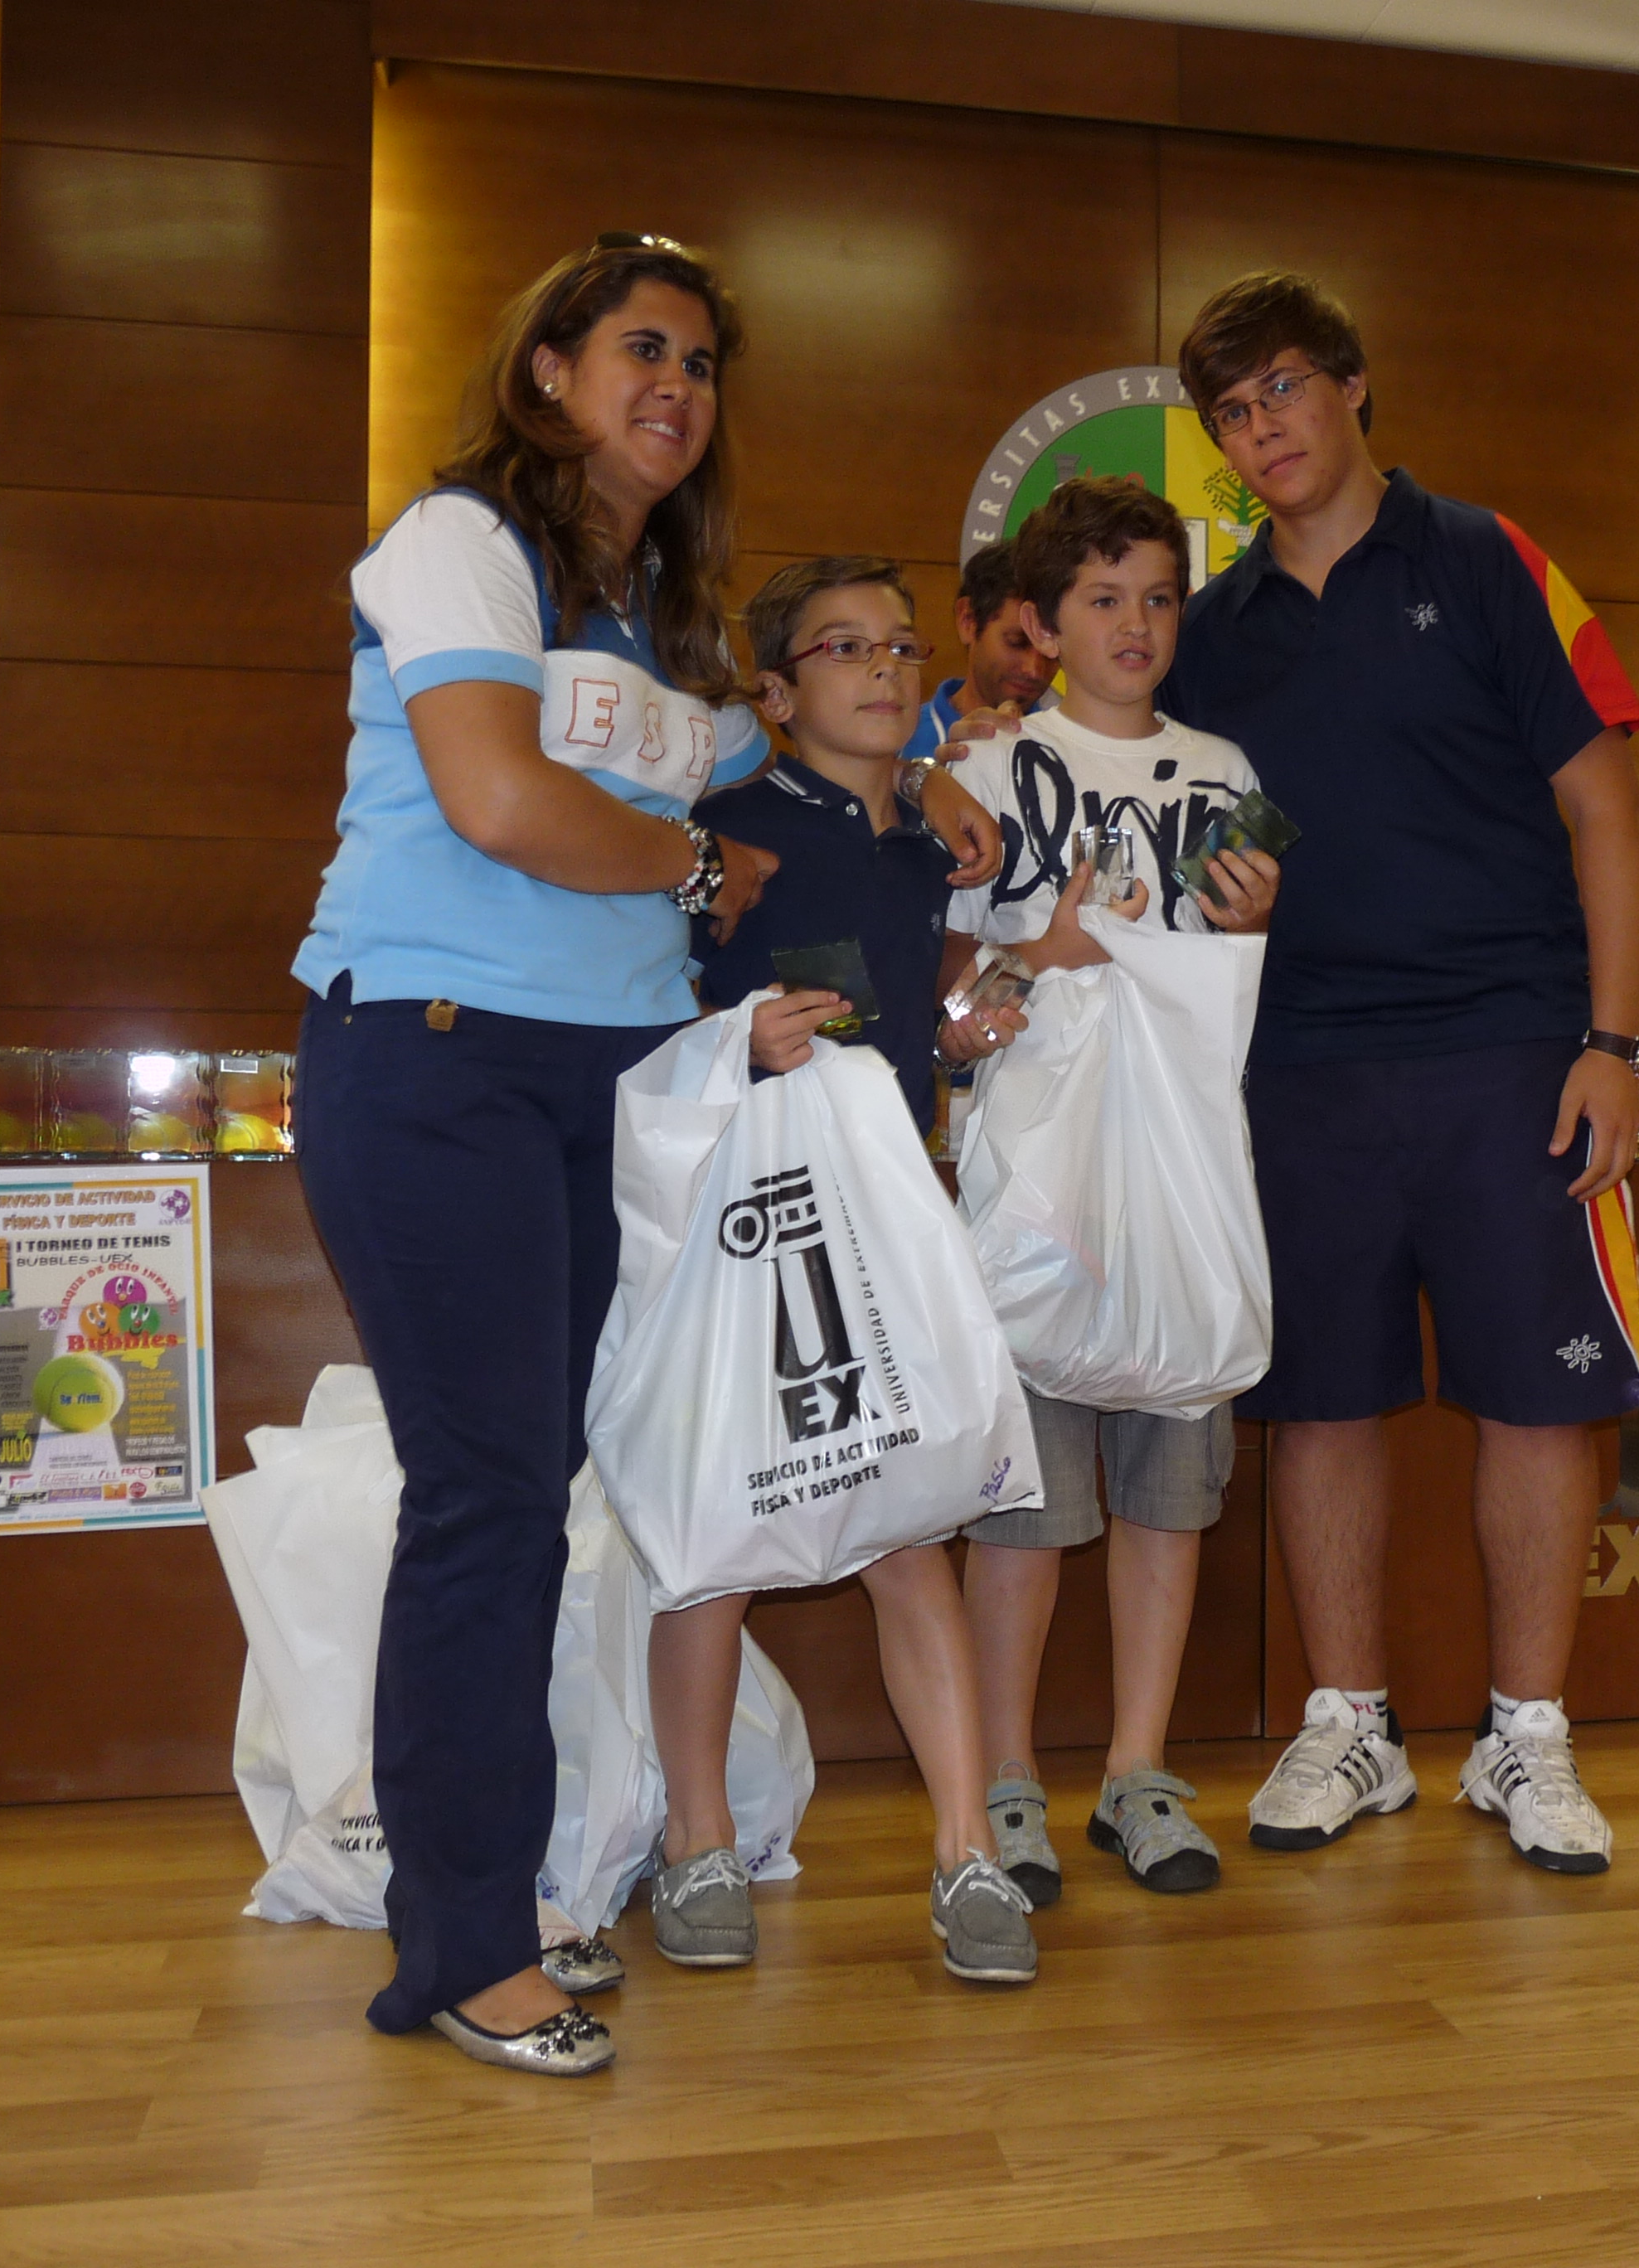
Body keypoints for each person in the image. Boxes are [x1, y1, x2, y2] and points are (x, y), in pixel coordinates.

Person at [289, 235, 997, 2078]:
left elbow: (807, 734)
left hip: (615, 1085)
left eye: (700, 363)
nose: (676, 386)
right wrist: (690, 864)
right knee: (488, 1501)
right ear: (548, 369)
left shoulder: (666, 608)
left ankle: (496, 1897)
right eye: (640, 349)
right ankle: (460, 1948)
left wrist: (926, 762)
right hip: (437, 1054)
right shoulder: (458, 541)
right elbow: (498, 796)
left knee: (545, 1490)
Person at [1165, 271, 1639, 1878]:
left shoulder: (1488, 558)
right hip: (1298, 1065)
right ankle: (1352, 1727)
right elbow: (1175, 856)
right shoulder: (1211, 635)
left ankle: (1527, 1738)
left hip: (1512, 1053)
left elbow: (1605, 809)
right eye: (1231, 412)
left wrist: (1611, 1045)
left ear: (1353, 385)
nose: (1261, 429)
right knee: (1319, 1401)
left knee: (1538, 1399)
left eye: (1282, 389)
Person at [658, 555, 1040, 1986]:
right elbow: (641, 1007)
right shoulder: (719, 832)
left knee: (908, 1528)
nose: (882, 668)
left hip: (882, 1221)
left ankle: (965, 1850)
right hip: (739, 1220)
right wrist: (728, 1038)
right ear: (773, 691)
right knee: (710, 1537)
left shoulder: (929, 846)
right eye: (842, 647)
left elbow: (902, 1021)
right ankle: (697, 1841)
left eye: (899, 646)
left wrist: (954, 1032)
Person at [939, 476, 1279, 1904]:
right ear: (1040, 620)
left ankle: (1139, 1769)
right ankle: (1005, 1778)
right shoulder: (990, 766)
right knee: (1020, 1505)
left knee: (1170, 1494)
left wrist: (1252, 920)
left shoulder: (1223, 770)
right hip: (1037, 1181)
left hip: (1183, 1177)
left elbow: (1232, 987)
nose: (1134, 625)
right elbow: (946, 999)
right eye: (1101, 599)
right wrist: (1046, 958)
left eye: (1157, 598)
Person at [901, 539, 1057, 763]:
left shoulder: (1069, 746)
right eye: (1016, 642)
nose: (1034, 670)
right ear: (968, 621)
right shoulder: (898, 741)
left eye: (1051, 650)